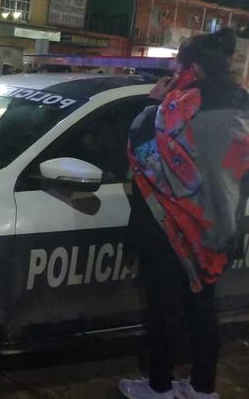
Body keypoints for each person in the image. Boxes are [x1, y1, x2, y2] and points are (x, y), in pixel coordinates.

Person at [119, 28, 249, 399]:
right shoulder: (241, 106)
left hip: (171, 229)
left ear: (193, 68)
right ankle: (201, 387)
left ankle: (158, 386)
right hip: (219, 227)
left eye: (178, 66)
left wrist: (154, 100)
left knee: (165, 310)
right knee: (204, 310)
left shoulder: (177, 110)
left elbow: (142, 149)